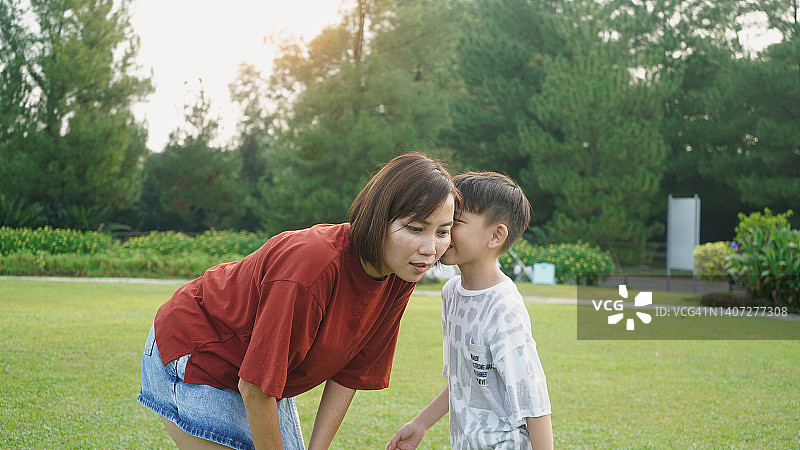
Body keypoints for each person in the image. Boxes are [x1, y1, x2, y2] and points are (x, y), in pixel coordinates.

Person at [138, 152, 459, 450]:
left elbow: (350, 373)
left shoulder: (401, 271)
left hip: (256, 374)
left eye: (442, 232)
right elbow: (256, 387)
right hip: (198, 349)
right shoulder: (313, 267)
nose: (430, 249)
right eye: (415, 228)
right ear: (379, 217)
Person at [386, 172, 553, 450]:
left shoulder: (503, 306)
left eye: (456, 222)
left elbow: (532, 398)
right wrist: (420, 423)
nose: (445, 231)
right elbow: (463, 379)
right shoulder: (451, 293)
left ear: (496, 235)